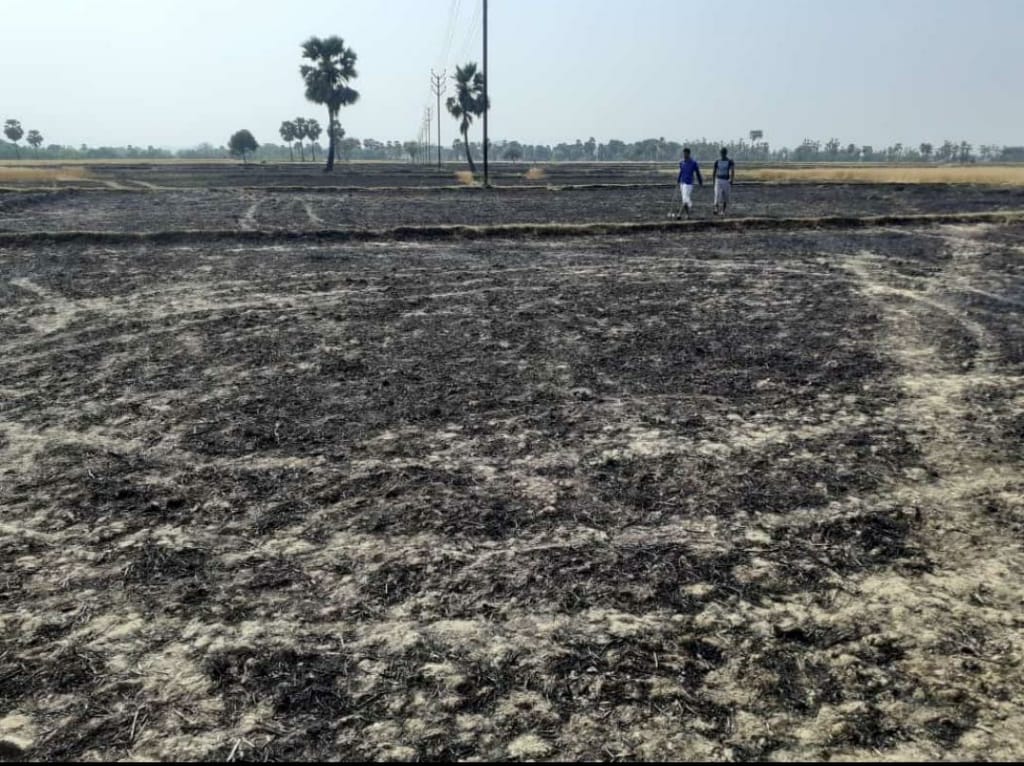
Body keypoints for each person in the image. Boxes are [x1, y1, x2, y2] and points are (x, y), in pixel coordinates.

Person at [673, 148, 703, 219]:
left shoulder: (693, 163)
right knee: (684, 199)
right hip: (682, 183)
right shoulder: (681, 162)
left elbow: (697, 173)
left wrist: (700, 182)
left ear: (689, 154)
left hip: (689, 184)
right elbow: (681, 172)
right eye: (684, 153)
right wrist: (678, 180)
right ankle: (688, 215)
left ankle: (679, 214)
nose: (684, 155)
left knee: (685, 199)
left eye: (686, 153)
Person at [712, 147, 736, 216]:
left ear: (726, 153)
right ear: (720, 153)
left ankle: (723, 211)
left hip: (726, 180)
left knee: (726, 196)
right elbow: (714, 172)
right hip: (718, 179)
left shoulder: (729, 161)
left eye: (724, 153)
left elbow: (732, 171)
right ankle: (716, 209)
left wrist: (731, 179)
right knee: (717, 195)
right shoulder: (717, 161)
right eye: (721, 153)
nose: (722, 154)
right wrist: (713, 181)